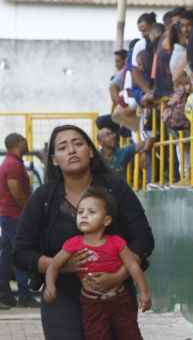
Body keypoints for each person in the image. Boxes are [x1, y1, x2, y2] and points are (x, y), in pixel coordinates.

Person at [15, 125, 154, 339]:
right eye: (62, 147)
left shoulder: (115, 189)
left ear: (90, 152)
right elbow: (21, 252)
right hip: (62, 296)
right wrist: (58, 265)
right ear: (53, 159)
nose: (71, 150)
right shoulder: (43, 198)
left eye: (78, 144)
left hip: (115, 297)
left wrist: (117, 276)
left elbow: (144, 240)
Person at [43, 187, 151, 339]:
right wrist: (50, 287)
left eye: (91, 212)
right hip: (91, 304)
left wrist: (144, 293)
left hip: (119, 301)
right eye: (80, 212)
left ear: (106, 220)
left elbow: (133, 265)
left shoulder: (116, 243)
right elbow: (54, 266)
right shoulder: (73, 244)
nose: (84, 216)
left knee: (130, 335)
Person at [0, 134, 35, 308]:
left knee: (6, 255)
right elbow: (16, 191)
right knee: (19, 253)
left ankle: (4, 294)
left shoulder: (11, 162)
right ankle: (24, 296)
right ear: (17, 143)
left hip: (8, 215)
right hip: (15, 216)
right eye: (24, 140)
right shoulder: (13, 164)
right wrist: (28, 212)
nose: (27, 143)